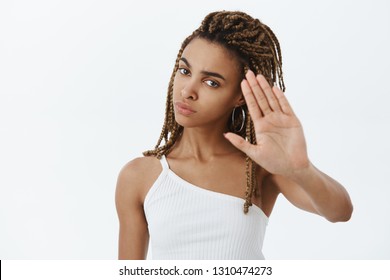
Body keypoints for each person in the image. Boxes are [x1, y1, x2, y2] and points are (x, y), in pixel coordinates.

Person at [115, 10, 353, 260]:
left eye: (211, 83)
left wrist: (301, 168)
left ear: (240, 95)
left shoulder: (260, 168)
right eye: (185, 71)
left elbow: (340, 211)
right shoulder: (139, 177)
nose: (188, 91)